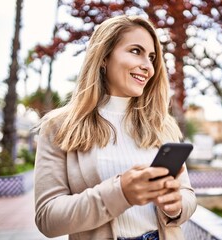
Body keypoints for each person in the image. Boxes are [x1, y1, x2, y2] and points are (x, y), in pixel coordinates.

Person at [34, 15, 197, 240]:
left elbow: (187, 194)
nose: (148, 67)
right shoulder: (59, 126)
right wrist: (120, 193)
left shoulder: (162, 124)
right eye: (135, 51)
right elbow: (47, 219)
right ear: (104, 57)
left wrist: (176, 206)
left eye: (151, 57)